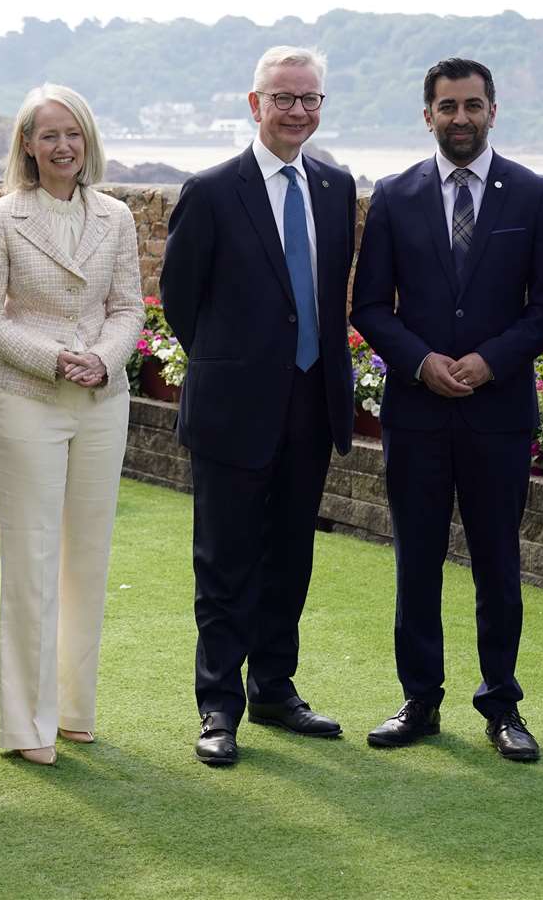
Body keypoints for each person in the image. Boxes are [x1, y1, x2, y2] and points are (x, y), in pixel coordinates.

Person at [350, 57, 543, 760]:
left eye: (472, 105)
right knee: (416, 563)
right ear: (428, 116)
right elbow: (367, 307)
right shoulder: (394, 195)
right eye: (447, 107)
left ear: (493, 111)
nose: (461, 118)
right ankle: (419, 701)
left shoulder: (533, 194)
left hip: (498, 414)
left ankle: (501, 705)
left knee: (498, 565)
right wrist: (420, 362)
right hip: (416, 414)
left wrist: (490, 360)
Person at [160, 46, 357, 767]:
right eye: (283, 98)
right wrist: (238, 364)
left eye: (309, 99)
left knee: (291, 557)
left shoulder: (336, 186)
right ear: (255, 104)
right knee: (224, 563)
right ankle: (218, 705)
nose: (297, 110)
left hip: (312, 403)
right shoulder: (211, 190)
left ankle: (275, 686)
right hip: (232, 408)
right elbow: (183, 300)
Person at [0, 85, 144, 765]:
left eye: (73, 133)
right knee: (31, 559)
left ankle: (74, 710)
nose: (62, 146)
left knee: (87, 558)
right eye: (48, 135)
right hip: (28, 401)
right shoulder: (0, 219)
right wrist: (54, 359)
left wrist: (101, 359)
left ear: (87, 139)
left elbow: (128, 306)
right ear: (27, 146)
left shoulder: (118, 217)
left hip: (103, 400)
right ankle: (28, 726)